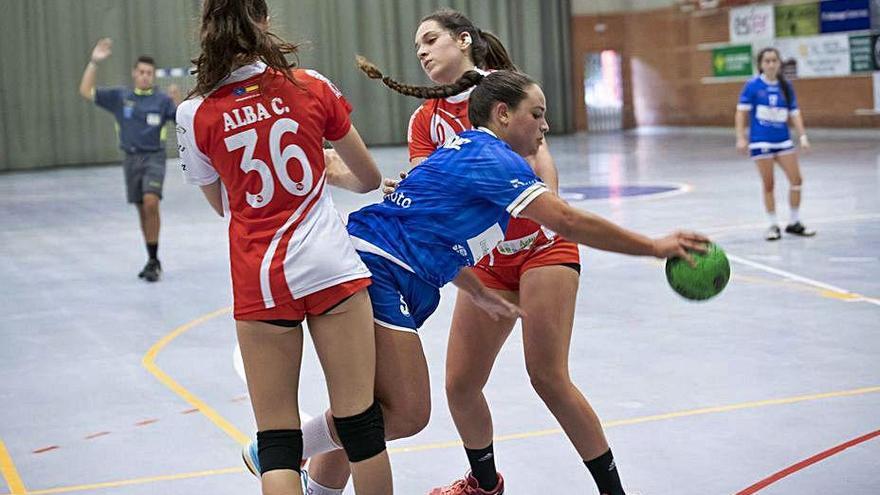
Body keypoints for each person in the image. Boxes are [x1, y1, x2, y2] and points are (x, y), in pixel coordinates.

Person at [244, 69, 709, 495]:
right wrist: (654, 246)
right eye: (537, 115)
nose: (545, 126)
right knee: (406, 411)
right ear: (503, 114)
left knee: (372, 408)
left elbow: (436, 231)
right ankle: (278, 448)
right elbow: (566, 220)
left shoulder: (469, 150)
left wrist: (479, 292)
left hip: (385, 267)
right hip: (377, 266)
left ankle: (303, 475)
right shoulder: (494, 157)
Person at [365, 10, 629, 494]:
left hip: (539, 246)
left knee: (547, 376)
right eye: (416, 46)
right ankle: (484, 484)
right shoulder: (426, 118)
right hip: (485, 260)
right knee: (460, 385)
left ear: (463, 41)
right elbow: (431, 191)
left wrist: (545, 210)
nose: (421, 51)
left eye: (430, 40)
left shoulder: (500, 91)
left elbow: (539, 153)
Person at [175, 1, 393, 494]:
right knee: (361, 426)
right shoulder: (310, 85)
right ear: (264, 20)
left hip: (262, 278)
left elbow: (222, 205)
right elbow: (369, 178)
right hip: (330, 268)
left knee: (276, 438)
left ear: (207, 28)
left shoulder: (195, 112)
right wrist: (323, 167)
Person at [79, 38, 182, 281]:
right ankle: (152, 258)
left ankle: (154, 259)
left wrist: (178, 99)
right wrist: (94, 61)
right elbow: (86, 91)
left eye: (150, 73)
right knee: (141, 210)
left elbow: (182, 118)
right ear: (134, 73)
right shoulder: (120, 96)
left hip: (154, 158)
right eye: (142, 72)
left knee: (151, 202)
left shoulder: (162, 100)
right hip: (131, 160)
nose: (146, 76)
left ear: (154, 76)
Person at [735, 47, 816, 241]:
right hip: (761, 141)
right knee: (769, 184)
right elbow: (741, 112)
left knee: (796, 180)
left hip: (783, 141)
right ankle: (773, 225)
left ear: (779, 63)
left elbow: (794, 113)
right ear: (761, 65)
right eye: (767, 61)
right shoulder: (752, 86)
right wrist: (740, 137)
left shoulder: (786, 86)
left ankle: (794, 222)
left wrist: (803, 136)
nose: (771, 64)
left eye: (774, 61)